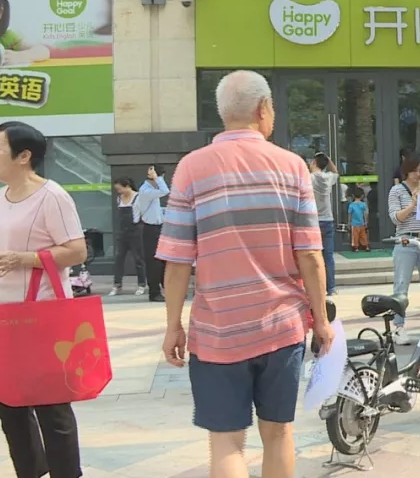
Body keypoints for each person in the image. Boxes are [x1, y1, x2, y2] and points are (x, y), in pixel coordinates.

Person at [156, 70, 334, 478]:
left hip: (217, 331)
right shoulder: (292, 167)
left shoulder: (191, 168)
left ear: (223, 113)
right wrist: (321, 320)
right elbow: (310, 254)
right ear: (263, 109)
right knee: (278, 432)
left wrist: (173, 326)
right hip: (281, 327)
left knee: (226, 441)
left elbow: (177, 261)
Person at [0, 122, 87, 478]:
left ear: (24, 156)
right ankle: (29, 471)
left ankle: (66, 472)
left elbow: (77, 251)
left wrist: (25, 259)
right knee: (9, 404)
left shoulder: (52, 196)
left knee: (51, 403)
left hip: (39, 315)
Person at [386, 154, 420, 346]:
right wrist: (413, 204)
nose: (418, 174)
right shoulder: (397, 190)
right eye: (415, 170)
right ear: (406, 170)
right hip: (406, 240)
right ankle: (398, 327)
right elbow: (396, 218)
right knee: (401, 285)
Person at [110, 176, 148, 297]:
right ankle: (117, 285)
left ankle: (141, 284)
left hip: (135, 230)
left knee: (138, 259)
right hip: (122, 232)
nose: (118, 191)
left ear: (127, 186)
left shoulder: (138, 197)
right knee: (119, 258)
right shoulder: (119, 199)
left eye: (120, 189)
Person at [137, 165, 169, 301]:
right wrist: (157, 177)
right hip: (150, 229)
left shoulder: (152, 191)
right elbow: (165, 190)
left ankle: (168, 290)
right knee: (153, 262)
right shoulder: (145, 191)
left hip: (159, 228)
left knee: (164, 261)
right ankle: (154, 292)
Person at [309, 153, 340, 295]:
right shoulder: (328, 178)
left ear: (314, 162)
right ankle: (331, 288)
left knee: (313, 255)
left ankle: (317, 287)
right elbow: (336, 172)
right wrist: (329, 160)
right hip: (327, 219)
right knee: (328, 256)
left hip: (313, 220)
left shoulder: (309, 178)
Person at [348, 187, 370, 252]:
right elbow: (365, 214)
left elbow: (349, 214)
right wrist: (366, 222)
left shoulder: (351, 205)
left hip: (354, 224)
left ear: (353, 196)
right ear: (362, 196)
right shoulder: (363, 204)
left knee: (355, 236)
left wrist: (349, 223)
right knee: (363, 235)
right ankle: (366, 246)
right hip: (362, 223)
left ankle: (356, 247)